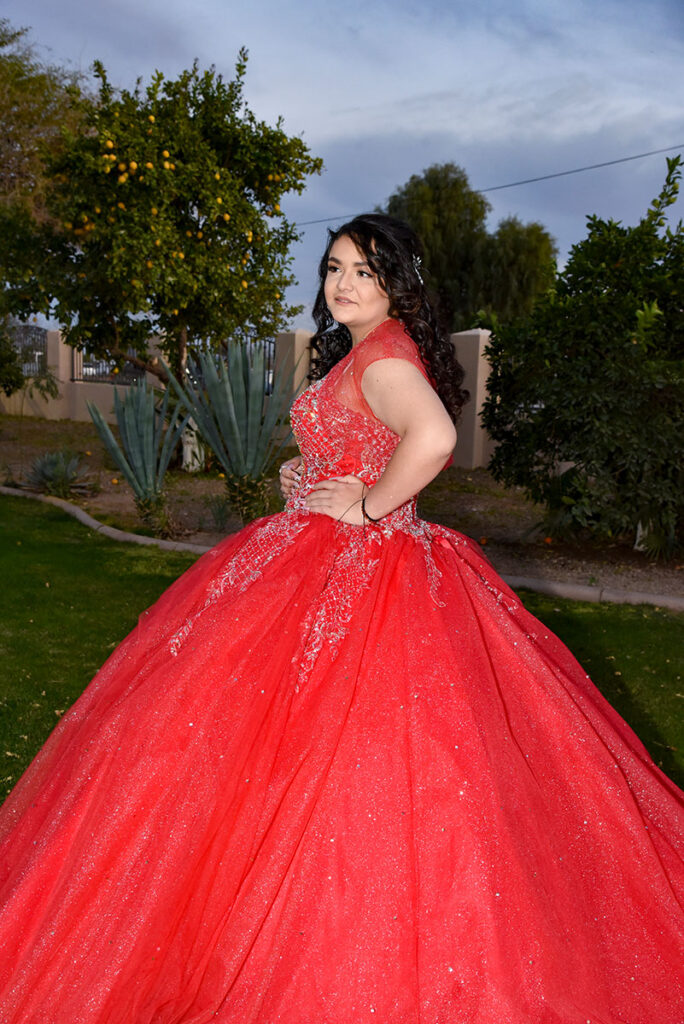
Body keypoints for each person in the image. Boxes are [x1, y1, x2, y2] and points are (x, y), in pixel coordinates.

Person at [0, 213, 682, 1024]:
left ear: (397, 283)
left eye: (364, 270)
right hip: (316, 565)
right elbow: (367, 439)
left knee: (345, 765)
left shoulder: (389, 354)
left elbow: (430, 437)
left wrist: (367, 509)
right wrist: (320, 473)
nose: (344, 283)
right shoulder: (368, 353)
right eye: (334, 268)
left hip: (364, 575)